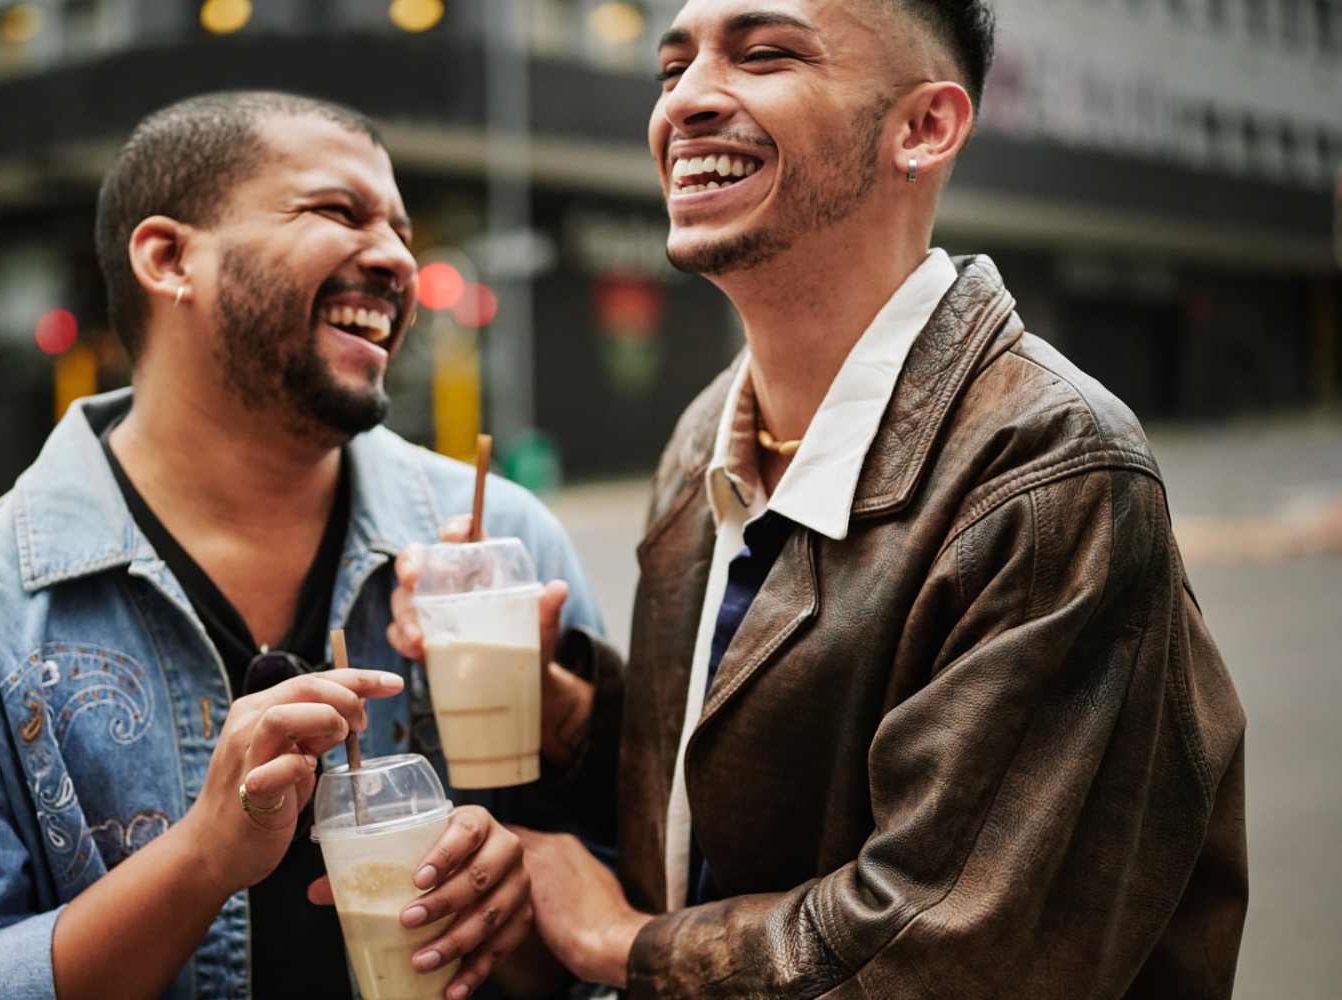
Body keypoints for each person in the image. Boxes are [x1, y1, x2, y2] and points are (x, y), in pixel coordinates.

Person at [389, 2, 1247, 996]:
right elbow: (746, 782)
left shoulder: (1055, 468)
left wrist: (622, 943)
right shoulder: (707, 433)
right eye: (673, 69)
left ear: (923, 127)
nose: (690, 100)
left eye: (764, 55)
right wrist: (568, 712)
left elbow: (943, 943)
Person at [0, 91, 604, 1000]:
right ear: (169, 258)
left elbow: (634, 915)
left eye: (401, 227)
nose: (399, 256)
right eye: (337, 211)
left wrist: (519, 923)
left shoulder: (505, 544)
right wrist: (202, 858)